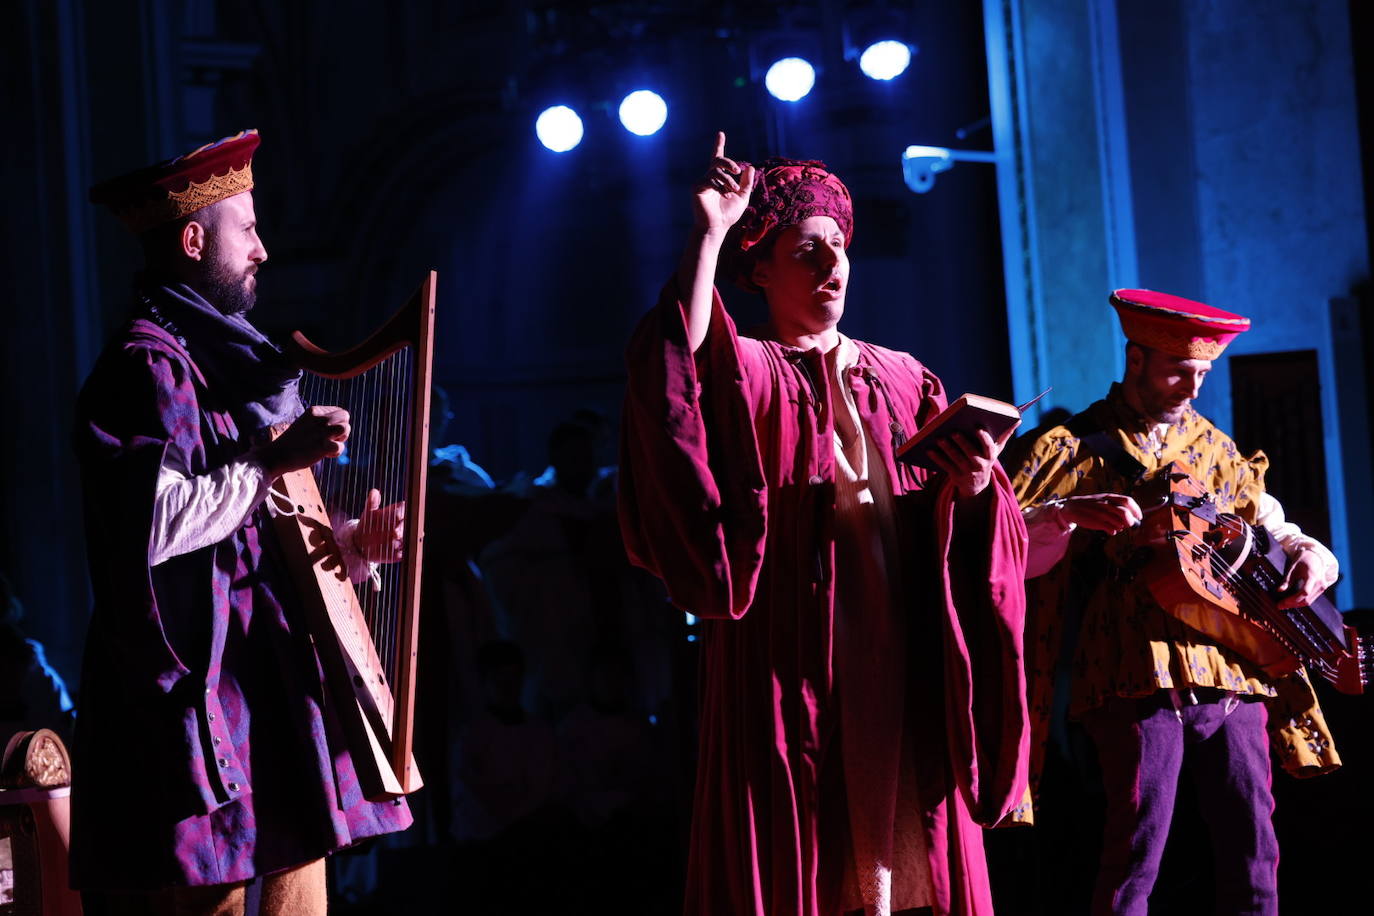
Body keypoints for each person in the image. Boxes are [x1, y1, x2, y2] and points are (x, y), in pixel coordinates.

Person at [618, 133, 1031, 915]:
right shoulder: (752, 369)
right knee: (805, 844)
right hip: (793, 644)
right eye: (806, 251)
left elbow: (984, 522)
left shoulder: (904, 376)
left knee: (912, 846)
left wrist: (973, 488)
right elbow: (676, 372)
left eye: (838, 248)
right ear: (760, 270)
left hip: (903, 638)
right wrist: (708, 233)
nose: (831, 265)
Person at [74, 129, 411, 914]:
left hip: (275, 690)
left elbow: (260, 534)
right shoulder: (145, 365)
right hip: (194, 701)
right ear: (194, 240)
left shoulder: (238, 365)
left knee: (301, 894)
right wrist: (267, 463)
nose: (263, 250)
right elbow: (150, 529)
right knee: (209, 898)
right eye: (248, 230)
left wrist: (356, 550)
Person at [1009, 289, 1341, 915]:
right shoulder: (1067, 447)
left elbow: (1270, 522)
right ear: (1134, 359)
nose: (1190, 385)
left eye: (1203, 372)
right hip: (1130, 669)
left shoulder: (1219, 452)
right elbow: (1003, 551)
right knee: (1136, 849)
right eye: (1175, 368)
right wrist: (1063, 517)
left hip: (1232, 667)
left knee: (1255, 847)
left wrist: (1310, 553)